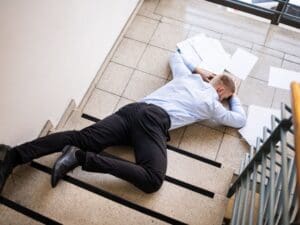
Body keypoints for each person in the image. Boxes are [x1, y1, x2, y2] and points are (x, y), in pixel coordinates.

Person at [0, 52, 246, 194]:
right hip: (152, 122)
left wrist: (199, 69)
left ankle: (13, 156)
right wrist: (232, 98)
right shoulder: (213, 103)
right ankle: (81, 158)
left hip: (131, 111)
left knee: (79, 137)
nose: (222, 100)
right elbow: (239, 119)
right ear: (221, 90)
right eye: (224, 95)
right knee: (153, 180)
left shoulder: (187, 77)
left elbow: (175, 55)